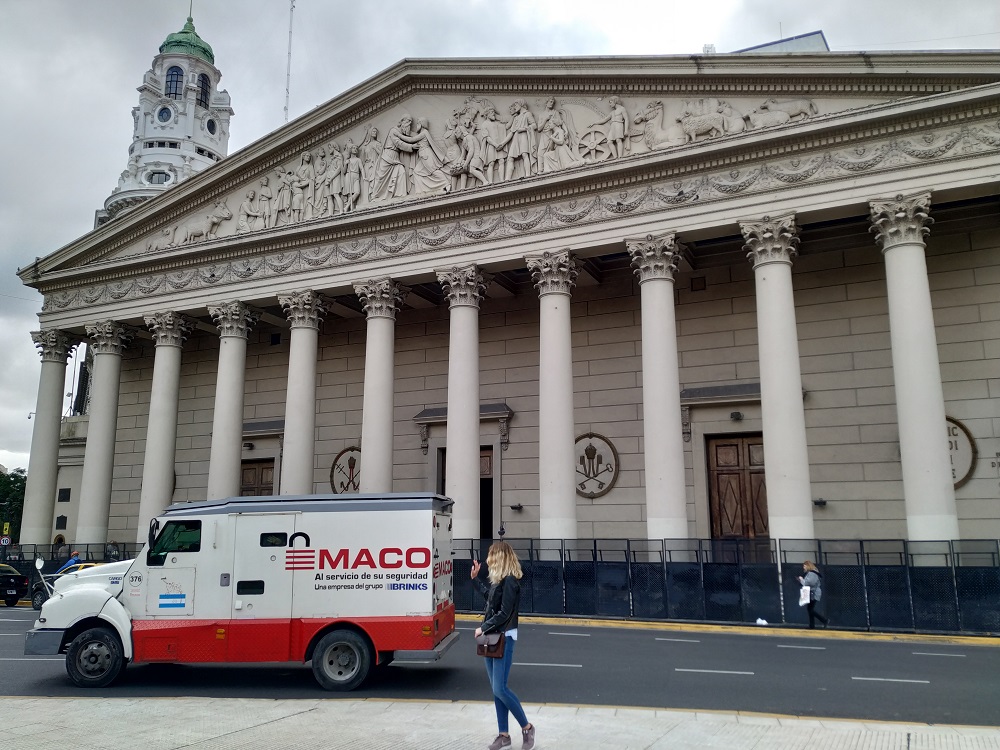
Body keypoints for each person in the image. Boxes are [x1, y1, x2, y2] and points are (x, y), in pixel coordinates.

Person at [471, 541, 535, 750]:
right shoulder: (499, 582)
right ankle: (503, 735)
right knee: (496, 689)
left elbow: (504, 613)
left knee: (501, 688)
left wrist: (484, 627)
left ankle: (527, 727)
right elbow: (490, 603)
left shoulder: (510, 582)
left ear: (500, 558)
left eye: (491, 557)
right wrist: (475, 580)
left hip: (503, 637)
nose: (488, 561)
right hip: (493, 637)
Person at [798, 560, 828, 629]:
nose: (803, 568)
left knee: (810, 610)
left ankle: (824, 620)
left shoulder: (812, 573)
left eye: (804, 566)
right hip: (812, 593)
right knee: (810, 609)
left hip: (813, 593)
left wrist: (801, 579)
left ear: (808, 566)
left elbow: (809, 583)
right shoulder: (812, 573)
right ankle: (812, 625)